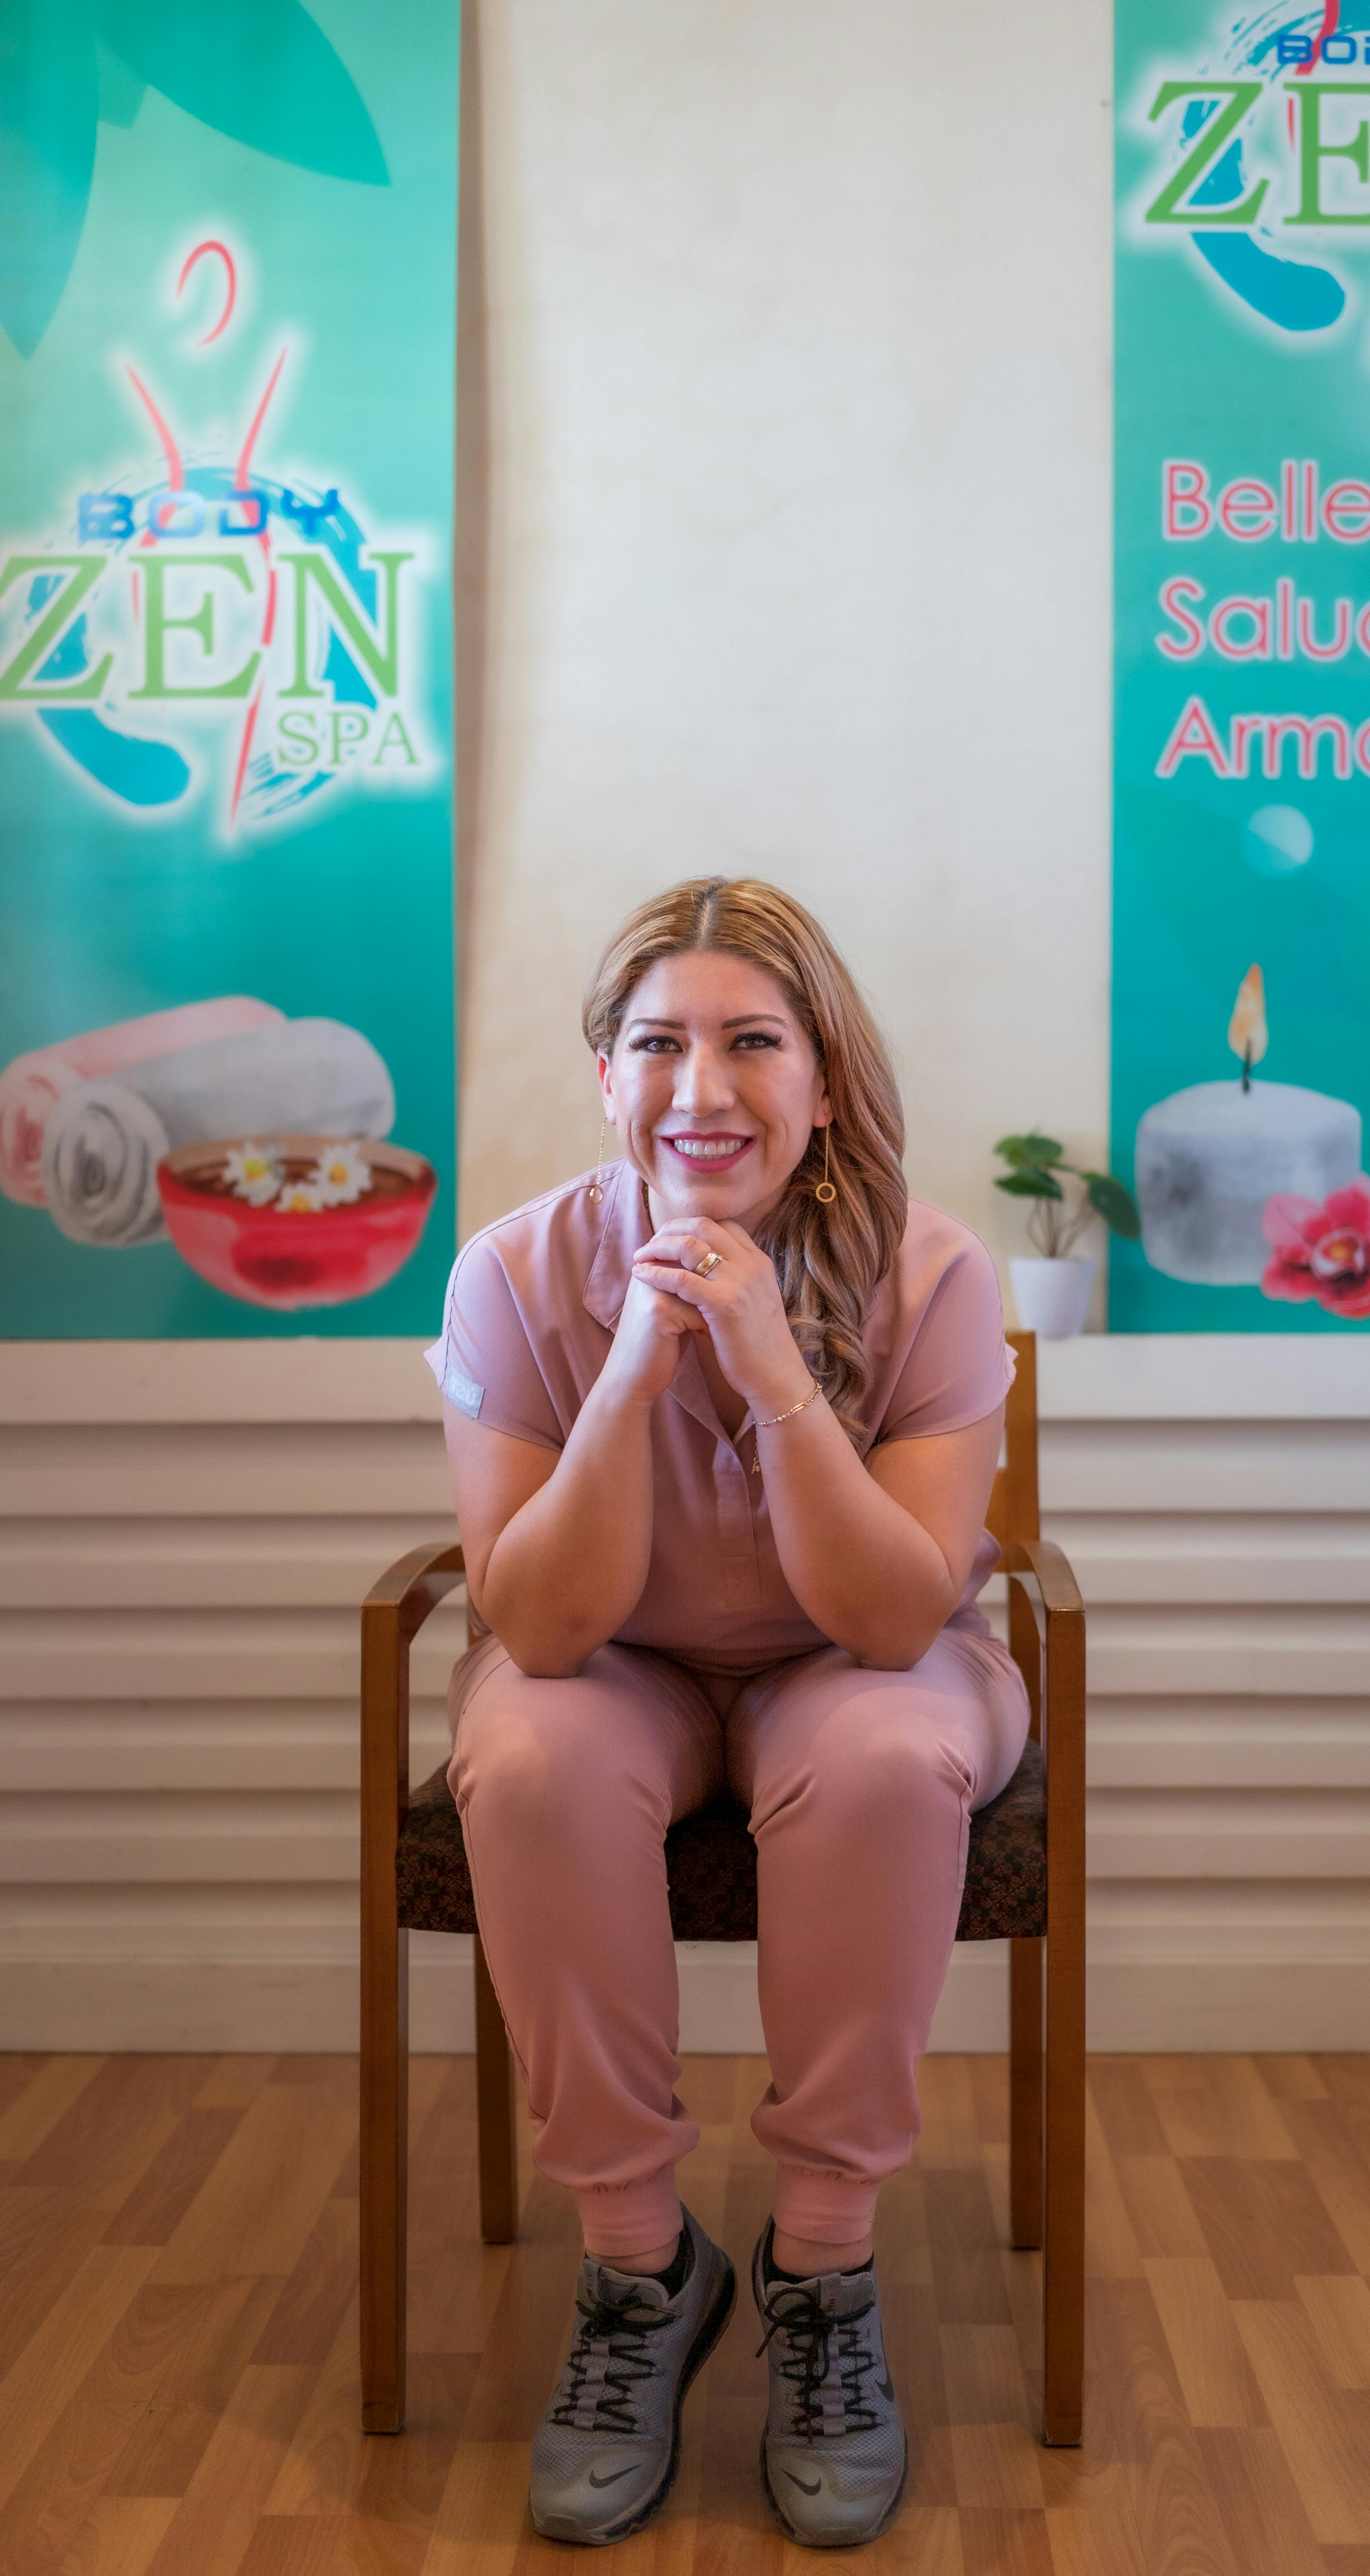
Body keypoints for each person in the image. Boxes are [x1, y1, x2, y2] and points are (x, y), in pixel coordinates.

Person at [427, 875, 1030, 2547]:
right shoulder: (513, 1270)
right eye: (658, 1046)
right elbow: (542, 1628)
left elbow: (893, 1614)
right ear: (606, 1081)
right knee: (525, 1746)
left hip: (859, 1665)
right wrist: (634, 1355)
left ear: (824, 1078)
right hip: (615, 1668)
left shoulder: (933, 1270)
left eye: (752, 1043)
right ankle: (638, 2270)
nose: (703, 1090)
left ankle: (823, 2270)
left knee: (886, 1750)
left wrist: (772, 1367)